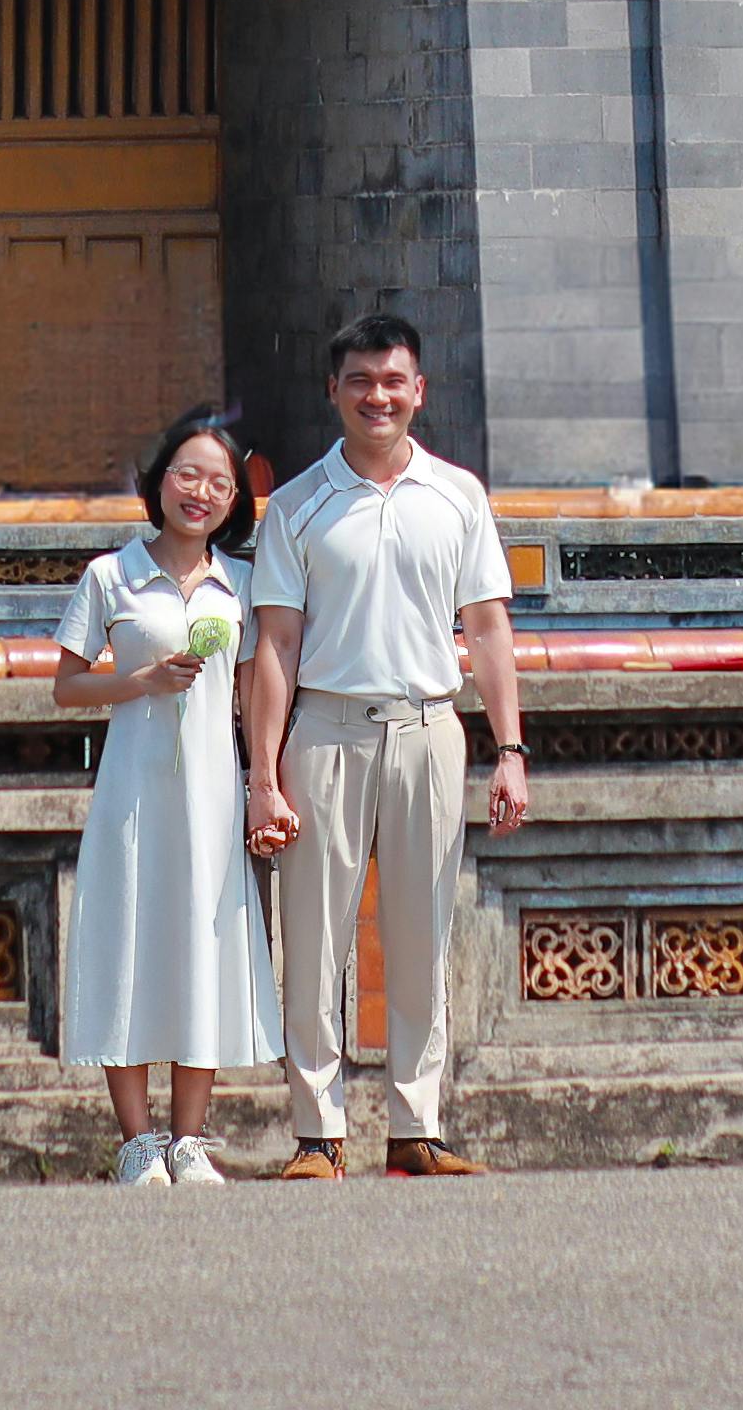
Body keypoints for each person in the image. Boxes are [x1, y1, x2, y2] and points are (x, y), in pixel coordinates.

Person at [236, 311, 524, 1179]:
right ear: (333, 390)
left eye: (393, 381)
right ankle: (317, 1132)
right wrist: (263, 775)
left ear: (419, 391)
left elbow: (487, 628)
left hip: (428, 727)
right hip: (325, 731)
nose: (377, 397)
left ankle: (415, 1126)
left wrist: (510, 749)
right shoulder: (297, 506)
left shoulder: (458, 496)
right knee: (313, 938)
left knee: (422, 933)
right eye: (360, 381)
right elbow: (276, 645)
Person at [48, 403, 276, 1185]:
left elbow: (254, 692)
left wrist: (265, 784)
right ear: (159, 481)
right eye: (187, 474)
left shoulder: (240, 583)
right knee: (130, 944)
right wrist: (139, 680)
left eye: (218, 483)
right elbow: (67, 687)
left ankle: (189, 1138)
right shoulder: (110, 576)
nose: (200, 492)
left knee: (199, 950)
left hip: (211, 796)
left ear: (234, 500)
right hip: (132, 795)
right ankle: (136, 1140)